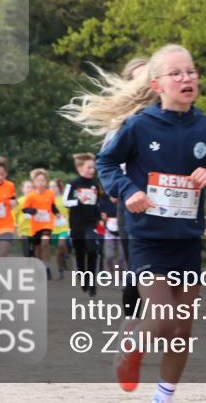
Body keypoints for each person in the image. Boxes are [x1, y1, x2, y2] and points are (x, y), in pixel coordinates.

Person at [90, 44, 206, 403]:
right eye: (176, 74)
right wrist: (127, 190)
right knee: (163, 320)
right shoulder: (139, 126)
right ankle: (131, 345)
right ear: (157, 85)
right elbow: (105, 164)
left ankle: (163, 397)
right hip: (148, 237)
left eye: (191, 71)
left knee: (182, 331)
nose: (187, 78)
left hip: (186, 238)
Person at [62, 56, 149, 315]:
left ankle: (162, 326)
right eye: (139, 79)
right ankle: (134, 323)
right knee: (137, 266)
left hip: (167, 203)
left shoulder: (176, 115)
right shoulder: (120, 121)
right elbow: (107, 161)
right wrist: (120, 188)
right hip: (132, 200)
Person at [63, 153, 102, 295]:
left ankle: (92, 283)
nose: (93, 170)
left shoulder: (94, 185)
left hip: (90, 224)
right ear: (80, 168)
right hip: (76, 224)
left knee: (92, 250)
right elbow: (65, 202)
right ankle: (83, 276)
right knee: (80, 253)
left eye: (93, 167)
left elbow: (97, 203)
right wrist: (78, 201)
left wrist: (99, 216)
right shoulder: (73, 184)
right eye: (89, 167)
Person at [22, 168, 58, 279]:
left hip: (47, 224)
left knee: (45, 243)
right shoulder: (31, 196)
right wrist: (32, 211)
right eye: (38, 180)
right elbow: (24, 209)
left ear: (46, 182)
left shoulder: (50, 194)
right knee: (37, 249)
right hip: (36, 226)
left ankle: (47, 268)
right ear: (34, 182)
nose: (41, 183)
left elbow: (52, 206)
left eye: (43, 180)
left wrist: (58, 213)